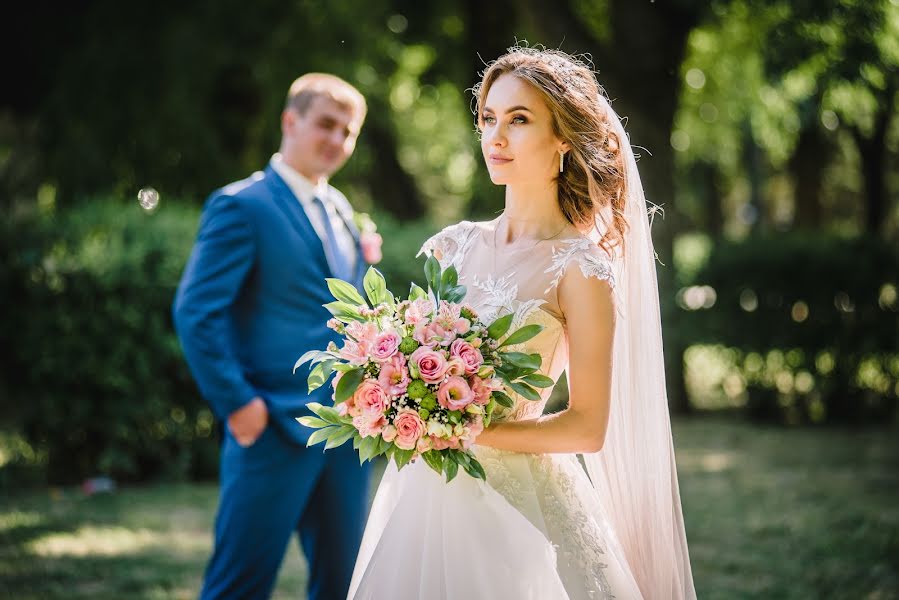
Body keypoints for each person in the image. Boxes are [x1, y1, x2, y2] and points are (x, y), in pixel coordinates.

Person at [346, 47, 696, 599]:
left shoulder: (579, 268)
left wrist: (467, 429)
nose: (495, 138)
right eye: (488, 119)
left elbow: (586, 428)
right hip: (425, 493)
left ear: (563, 139)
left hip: (521, 503)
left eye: (519, 120)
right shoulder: (452, 247)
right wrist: (390, 395)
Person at [173, 73, 380, 600]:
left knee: (345, 583)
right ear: (291, 121)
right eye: (326, 125)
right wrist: (239, 405)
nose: (337, 141)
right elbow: (197, 312)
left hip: (345, 431)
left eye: (348, 132)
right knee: (239, 584)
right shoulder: (242, 205)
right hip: (269, 426)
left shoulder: (342, 213)